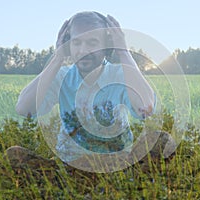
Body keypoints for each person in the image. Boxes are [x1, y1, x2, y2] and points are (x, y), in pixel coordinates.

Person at [12, 11, 156, 170]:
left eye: (92, 43)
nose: (83, 50)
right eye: (76, 43)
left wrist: (123, 51)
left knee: (161, 140)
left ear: (107, 47)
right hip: (69, 164)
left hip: (116, 164)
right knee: (14, 156)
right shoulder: (61, 76)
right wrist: (57, 58)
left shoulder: (121, 74)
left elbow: (146, 107)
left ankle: (113, 186)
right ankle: (71, 185)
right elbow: (24, 109)